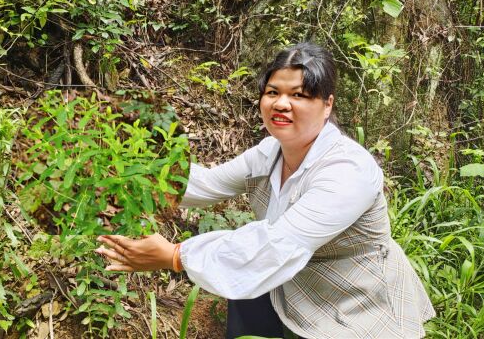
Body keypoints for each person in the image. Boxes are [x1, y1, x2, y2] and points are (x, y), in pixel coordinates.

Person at [96, 42, 436, 339]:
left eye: (299, 95)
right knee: (244, 289)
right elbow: (209, 183)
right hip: (291, 283)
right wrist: (131, 173)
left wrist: (175, 256)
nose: (281, 104)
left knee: (251, 268)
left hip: (353, 302)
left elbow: (276, 245)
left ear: (327, 105)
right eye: (273, 92)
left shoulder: (347, 171)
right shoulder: (270, 152)